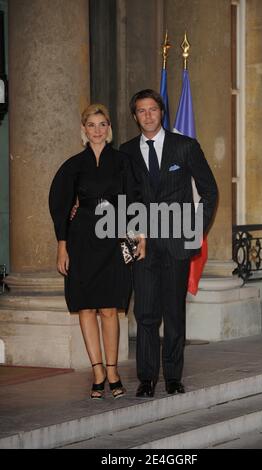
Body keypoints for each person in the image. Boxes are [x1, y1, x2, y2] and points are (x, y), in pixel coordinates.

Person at [119, 89, 218, 397]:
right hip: (143, 245)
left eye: (153, 109)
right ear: (135, 116)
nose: (148, 115)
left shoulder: (185, 146)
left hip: (177, 243)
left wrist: (194, 231)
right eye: (141, 111)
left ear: (162, 113)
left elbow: (209, 192)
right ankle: (147, 378)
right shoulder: (126, 152)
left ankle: (173, 377)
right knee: (146, 313)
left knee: (174, 312)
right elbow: (123, 198)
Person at [49, 104, 145, 400]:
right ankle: (98, 372)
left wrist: (140, 236)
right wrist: (62, 245)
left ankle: (113, 370)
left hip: (113, 237)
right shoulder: (73, 165)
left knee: (109, 308)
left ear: (109, 129)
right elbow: (60, 205)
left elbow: (135, 198)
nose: (97, 130)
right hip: (81, 240)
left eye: (103, 124)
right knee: (87, 307)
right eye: (92, 125)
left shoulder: (123, 161)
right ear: (84, 130)